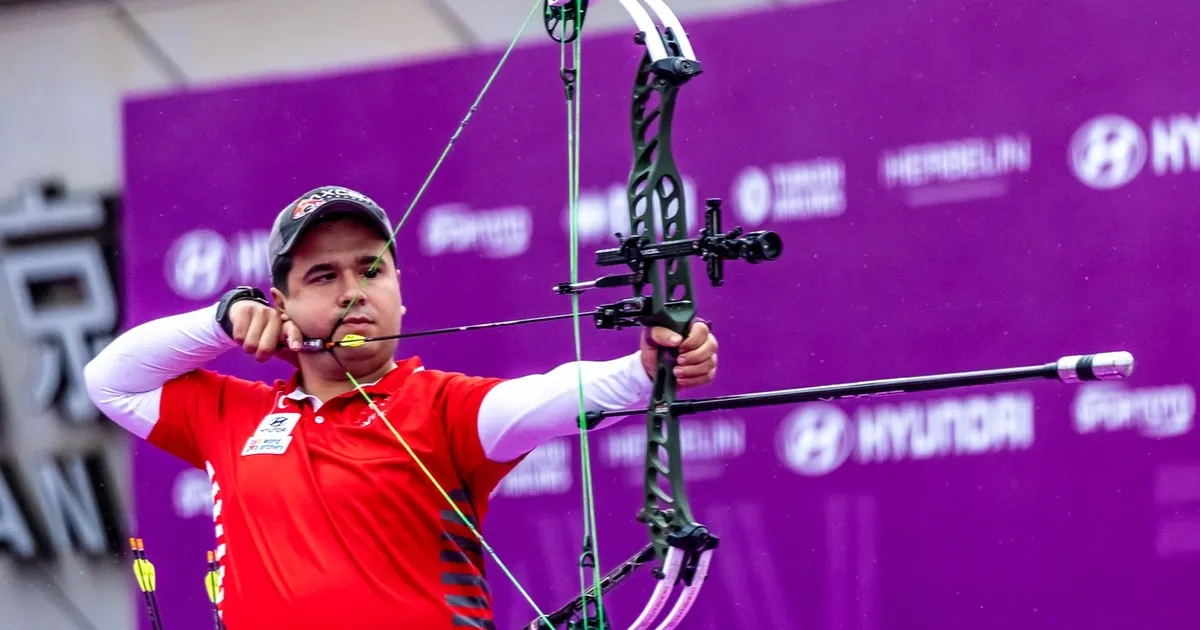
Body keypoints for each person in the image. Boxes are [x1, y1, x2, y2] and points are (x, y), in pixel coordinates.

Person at [83, 185, 719, 630]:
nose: (353, 293)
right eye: (323, 277)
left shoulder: (445, 408)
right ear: (282, 304)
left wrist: (648, 368)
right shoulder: (233, 414)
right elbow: (109, 380)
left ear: (400, 291)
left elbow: (562, 391)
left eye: (371, 270)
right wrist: (222, 321)